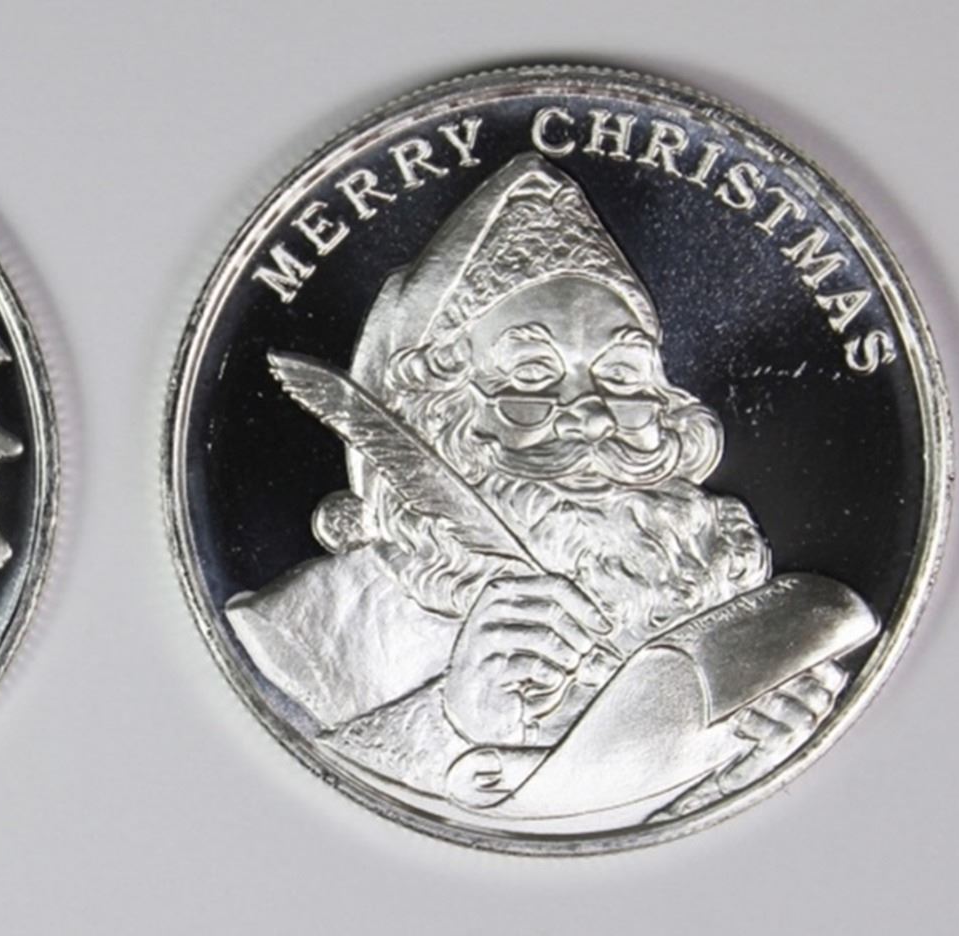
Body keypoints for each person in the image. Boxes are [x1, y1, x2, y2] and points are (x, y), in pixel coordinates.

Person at [227, 155, 879, 830]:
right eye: (534, 374)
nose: (593, 415)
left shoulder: (715, 585)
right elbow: (319, 797)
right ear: (441, 415)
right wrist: (453, 720)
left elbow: (631, 833)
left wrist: (737, 777)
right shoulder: (313, 631)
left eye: (621, 374)